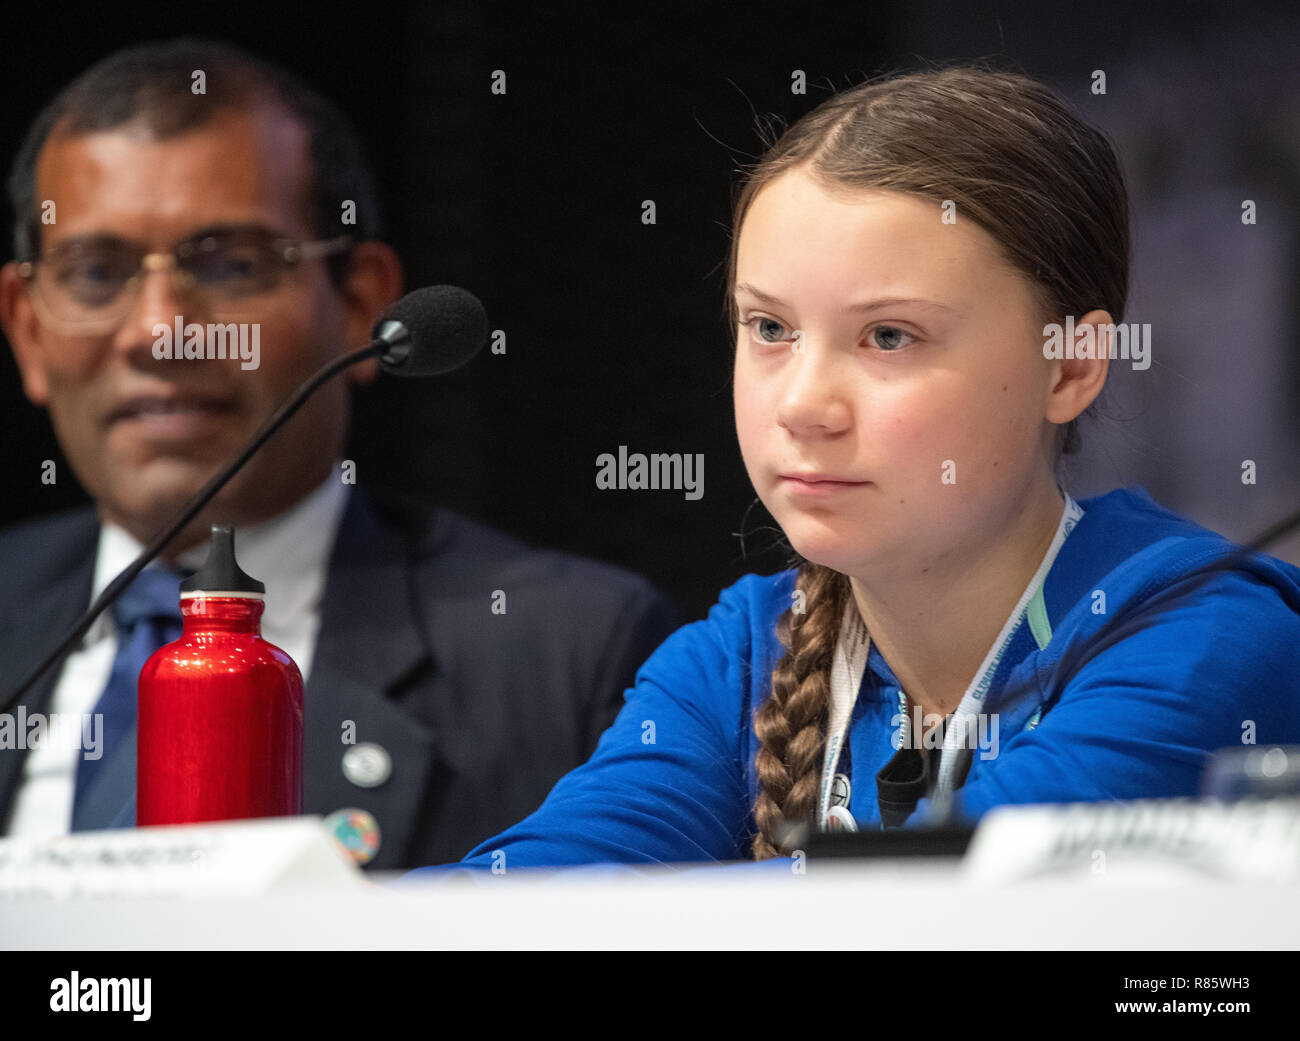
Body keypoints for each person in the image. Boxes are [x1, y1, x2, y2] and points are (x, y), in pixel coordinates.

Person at [406, 65, 1300, 875]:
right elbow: (526, 899)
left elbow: (935, 912)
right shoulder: (743, 651)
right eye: (769, 328)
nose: (802, 404)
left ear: (1069, 365)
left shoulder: (1209, 635)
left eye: (888, 337)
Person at [0, 38, 680, 869]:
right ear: (28, 328)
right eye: (96, 272)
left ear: (361, 300)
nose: (158, 331)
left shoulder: (572, 652)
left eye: (229, 265)